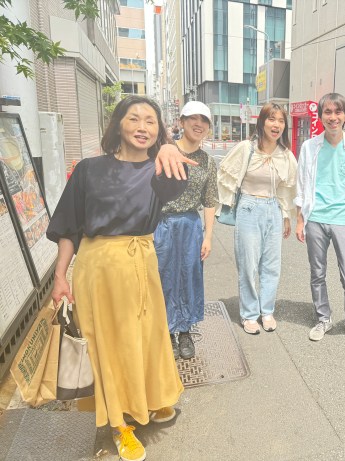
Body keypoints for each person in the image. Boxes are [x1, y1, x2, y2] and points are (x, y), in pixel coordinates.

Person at [47, 96, 194, 461]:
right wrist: (60, 275)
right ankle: (119, 424)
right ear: (118, 125)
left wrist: (171, 148)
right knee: (109, 346)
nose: (143, 127)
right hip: (99, 268)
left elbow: (177, 183)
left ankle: (148, 400)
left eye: (151, 121)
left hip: (141, 263)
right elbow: (69, 226)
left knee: (145, 338)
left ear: (160, 129)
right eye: (134, 119)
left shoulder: (161, 170)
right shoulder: (88, 169)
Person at [295, 93, 345, 345]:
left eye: (338, 112)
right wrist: (300, 220)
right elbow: (301, 183)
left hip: (344, 217)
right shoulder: (309, 147)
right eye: (327, 112)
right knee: (317, 273)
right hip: (315, 217)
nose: (333, 117)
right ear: (320, 117)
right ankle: (323, 318)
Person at [217, 103, 297, 335]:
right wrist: (226, 203)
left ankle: (267, 311)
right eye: (271, 119)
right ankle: (249, 314)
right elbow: (225, 175)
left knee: (272, 265)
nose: (276, 125)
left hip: (273, 209)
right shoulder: (246, 148)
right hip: (249, 208)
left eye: (281, 121)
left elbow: (286, 188)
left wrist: (285, 216)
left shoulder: (285, 155)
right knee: (248, 264)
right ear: (262, 122)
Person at [154, 101, 219, 360]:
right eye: (193, 118)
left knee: (189, 277)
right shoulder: (165, 151)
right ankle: (165, 331)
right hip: (162, 224)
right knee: (163, 277)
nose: (198, 124)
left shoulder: (207, 162)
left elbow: (210, 200)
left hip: (191, 225)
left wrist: (208, 236)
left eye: (204, 120)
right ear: (181, 122)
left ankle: (184, 330)